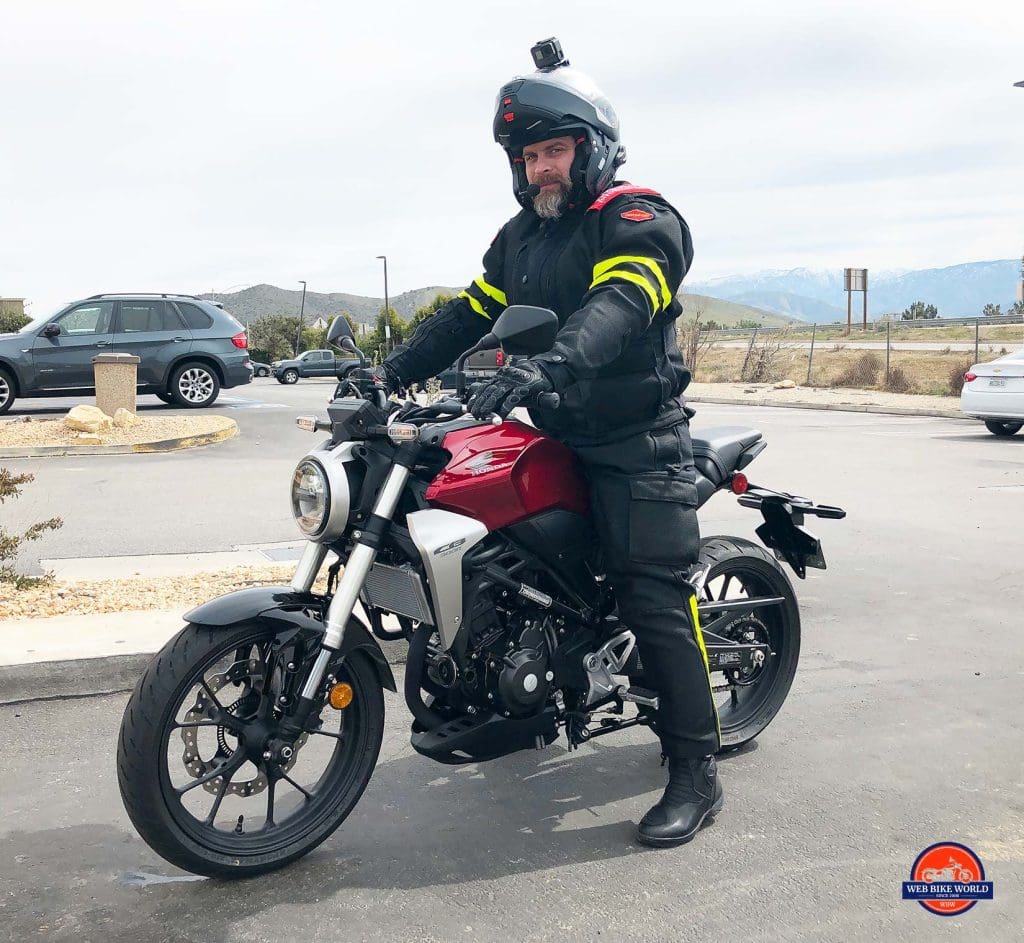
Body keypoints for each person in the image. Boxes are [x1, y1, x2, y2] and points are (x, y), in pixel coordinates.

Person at [379, 39, 722, 847]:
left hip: (639, 443)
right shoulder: (521, 239)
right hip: (558, 432)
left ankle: (696, 771)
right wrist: (394, 368)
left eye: (555, 150)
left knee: (653, 596)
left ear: (592, 147)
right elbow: (472, 310)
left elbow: (621, 305)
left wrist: (550, 365)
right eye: (530, 155)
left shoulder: (639, 219)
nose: (542, 169)